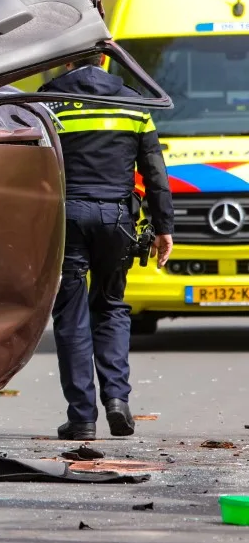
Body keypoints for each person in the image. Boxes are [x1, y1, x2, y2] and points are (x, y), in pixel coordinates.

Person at [40, 55, 174, 441]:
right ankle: (117, 399)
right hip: (118, 219)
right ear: (104, 58)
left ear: (66, 61)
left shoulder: (48, 103)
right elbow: (155, 173)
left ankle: (82, 417)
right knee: (111, 305)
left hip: (67, 218)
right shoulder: (134, 104)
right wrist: (163, 227)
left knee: (71, 314)